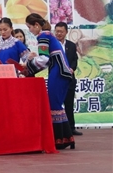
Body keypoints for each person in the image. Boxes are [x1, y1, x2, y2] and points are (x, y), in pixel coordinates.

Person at [25, 14, 75, 150]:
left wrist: (29, 65)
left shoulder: (43, 36)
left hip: (58, 72)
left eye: (29, 27)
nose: (30, 30)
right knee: (56, 105)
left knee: (54, 104)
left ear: (36, 25)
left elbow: (44, 59)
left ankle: (59, 139)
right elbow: (46, 59)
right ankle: (66, 138)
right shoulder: (48, 35)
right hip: (61, 72)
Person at [55, 22, 82, 136]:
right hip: (56, 80)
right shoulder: (52, 45)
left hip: (69, 79)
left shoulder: (71, 45)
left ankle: (71, 128)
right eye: (57, 31)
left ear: (66, 32)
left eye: (61, 31)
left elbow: (74, 60)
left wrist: (72, 68)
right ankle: (57, 130)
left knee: (69, 104)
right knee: (56, 105)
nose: (59, 34)